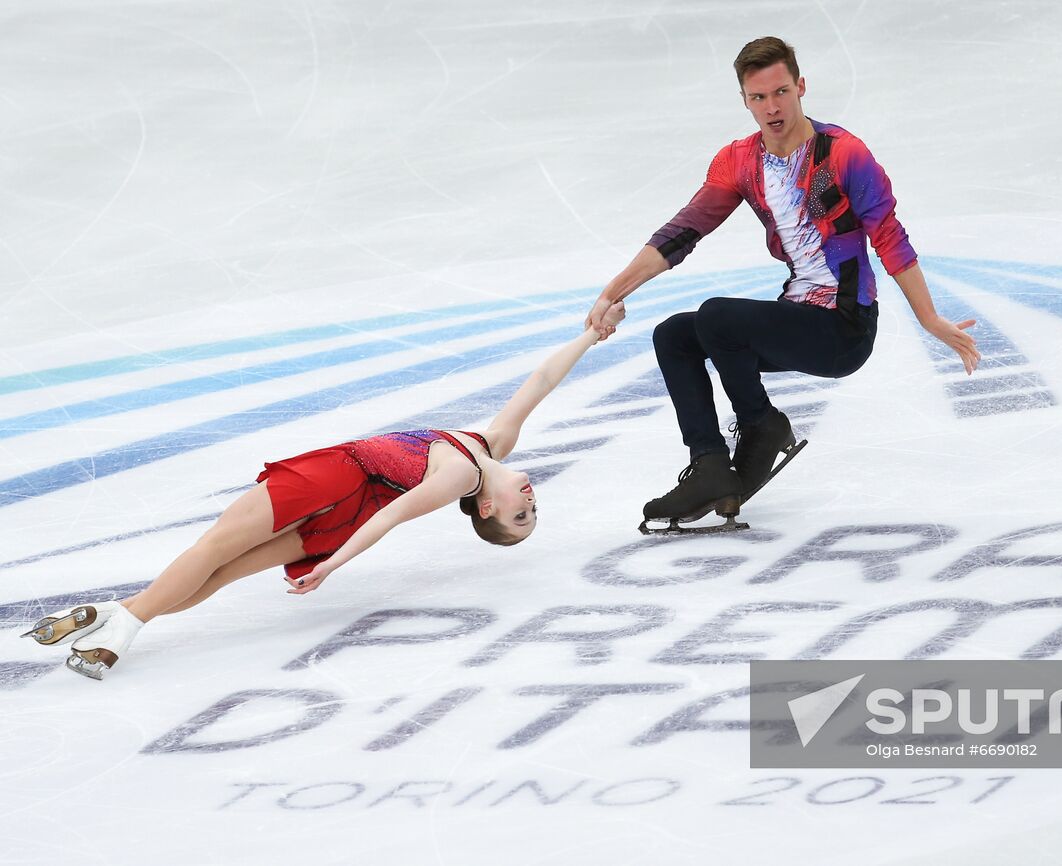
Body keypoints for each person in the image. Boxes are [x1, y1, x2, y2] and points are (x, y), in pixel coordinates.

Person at [22, 301, 627, 679]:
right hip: (345, 506)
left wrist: (332, 567)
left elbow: (391, 521)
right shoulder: (492, 444)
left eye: (522, 517)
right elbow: (542, 379)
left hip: (337, 483)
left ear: (488, 507)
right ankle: (108, 616)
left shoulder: (461, 476)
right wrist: (590, 335)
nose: (532, 502)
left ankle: (119, 631)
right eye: (534, 511)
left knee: (212, 551)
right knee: (223, 571)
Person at [585, 36, 981, 528]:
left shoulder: (843, 154)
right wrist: (612, 293)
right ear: (745, 101)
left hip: (843, 329)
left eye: (781, 93)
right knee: (674, 336)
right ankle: (710, 464)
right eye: (758, 97)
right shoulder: (739, 161)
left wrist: (929, 319)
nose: (772, 108)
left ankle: (761, 426)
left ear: (800, 87)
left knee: (718, 317)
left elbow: (889, 237)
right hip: (795, 314)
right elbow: (685, 230)